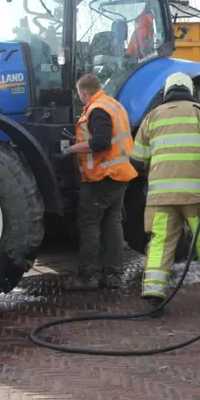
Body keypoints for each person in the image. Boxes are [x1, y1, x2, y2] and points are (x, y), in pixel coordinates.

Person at [129, 72, 200, 316]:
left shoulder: (151, 117)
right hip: (194, 195)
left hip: (160, 197)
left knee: (160, 241)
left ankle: (154, 295)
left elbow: (136, 161)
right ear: (190, 91)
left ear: (166, 92)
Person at [60, 73, 138, 290]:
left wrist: (70, 149)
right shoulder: (114, 105)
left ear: (83, 93)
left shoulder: (97, 110)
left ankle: (89, 277)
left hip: (102, 177)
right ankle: (112, 275)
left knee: (89, 224)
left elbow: (101, 141)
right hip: (120, 173)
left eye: (79, 95)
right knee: (112, 223)